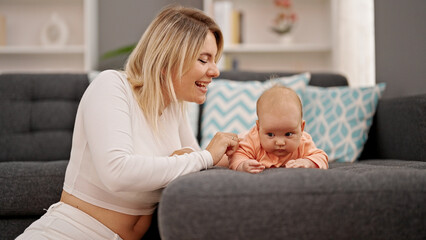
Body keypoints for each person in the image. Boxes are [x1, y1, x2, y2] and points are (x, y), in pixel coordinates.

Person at [17, 5, 240, 240]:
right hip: (71, 233)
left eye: (214, 60)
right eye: (204, 60)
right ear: (169, 59)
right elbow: (117, 172)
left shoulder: (175, 107)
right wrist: (203, 156)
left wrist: (245, 151)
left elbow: (194, 169)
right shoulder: (111, 85)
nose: (215, 71)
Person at [229, 85, 329, 173]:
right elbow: (238, 155)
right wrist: (242, 164)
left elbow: (321, 157)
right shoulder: (252, 140)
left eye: (288, 134)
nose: (280, 142)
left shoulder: (303, 142)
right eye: (271, 135)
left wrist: (308, 162)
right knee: (227, 155)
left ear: (301, 128)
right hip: (240, 139)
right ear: (259, 128)